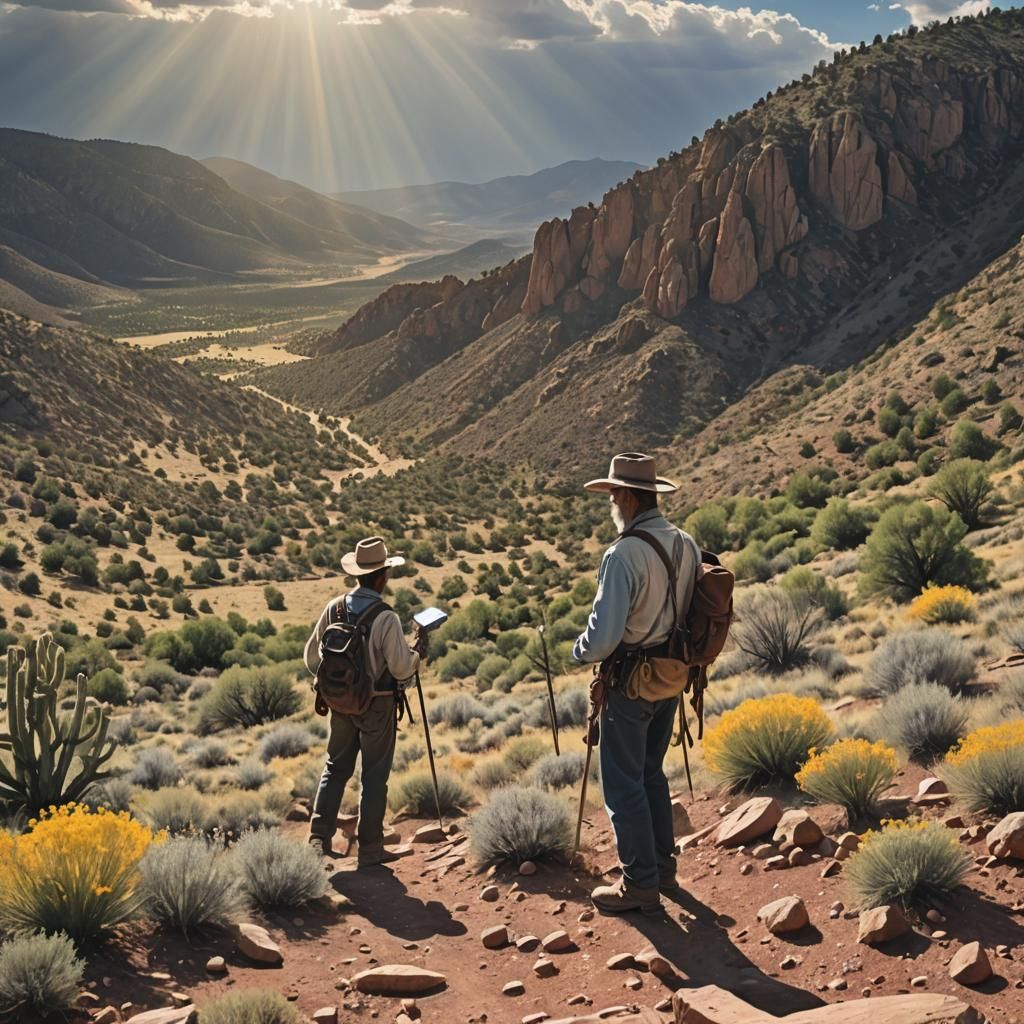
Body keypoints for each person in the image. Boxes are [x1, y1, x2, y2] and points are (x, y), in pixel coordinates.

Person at [572, 452, 699, 914]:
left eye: (612, 495)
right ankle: (662, 869)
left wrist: (579, 651)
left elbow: (604, 636)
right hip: (672, 676)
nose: (611, 503)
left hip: (630, 682)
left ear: (625, 496)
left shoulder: (622, 554)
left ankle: (639, 884)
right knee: (650, 773)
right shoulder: (686, 543)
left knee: (622, 784)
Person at [304, 536, 427, 866]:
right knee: (374, 774)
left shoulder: (335, 607)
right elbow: (401, 669)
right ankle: (371, 847)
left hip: (340, 705)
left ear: (358, 573)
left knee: (335, 767)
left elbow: (310, 658)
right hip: (378, 704)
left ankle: (318, 837)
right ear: (382, 576)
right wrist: (418, 653)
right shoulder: (385, 617)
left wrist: (337, 687)